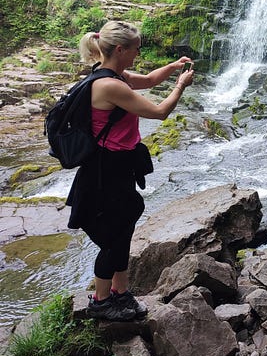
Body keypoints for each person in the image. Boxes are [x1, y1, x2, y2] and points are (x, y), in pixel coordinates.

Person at [67, 20, 194, 321]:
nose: (138, 53)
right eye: (136, 49)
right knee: (114, 235)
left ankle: (120, 293)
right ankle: (101, 302)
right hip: (106, 169)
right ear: (121, 50)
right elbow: (160, 112)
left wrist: (174, 66)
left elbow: (149, 80)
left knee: (124, 227)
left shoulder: (112, 74)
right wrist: (180, 86)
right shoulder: (109, 85)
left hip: (117, 164)